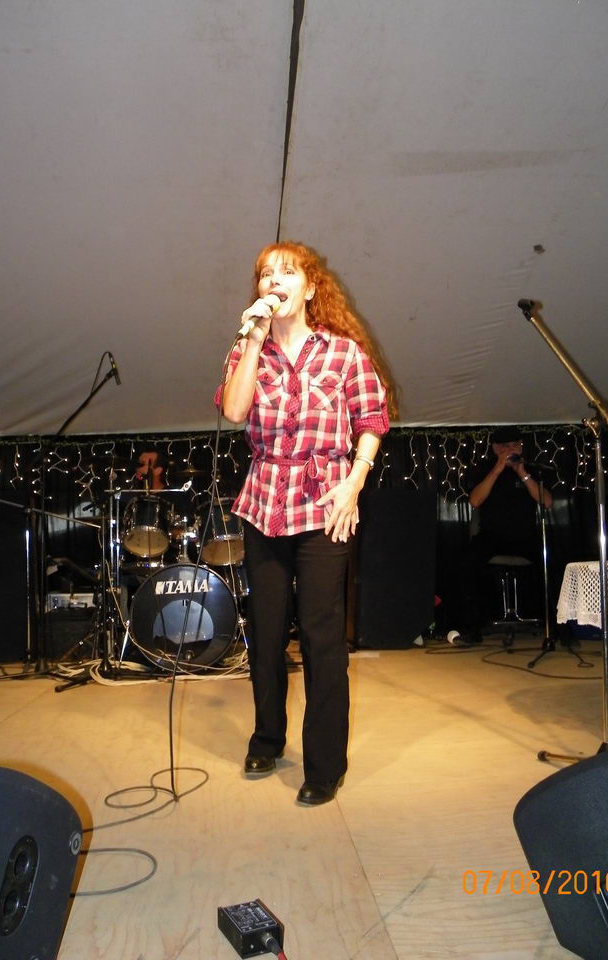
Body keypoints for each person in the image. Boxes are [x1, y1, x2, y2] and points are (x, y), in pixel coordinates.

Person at [216, 240, 393, 806]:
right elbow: (235, 411)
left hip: (325, 501)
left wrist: (355, 481)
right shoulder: (249, 348)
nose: (275, 280)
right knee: (266, 634)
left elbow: (372, 417)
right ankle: (267, 739)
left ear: (311, 287)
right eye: (266, 274)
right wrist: (252, 339)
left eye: (287, 272)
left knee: (322, 638)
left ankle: (324, 765)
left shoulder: (343, 352)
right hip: (265, 500)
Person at [453, 426, 553, 644]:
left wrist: (522, 474)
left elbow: (546, 502)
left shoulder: (531, 469)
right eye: (505, 446)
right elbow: (475, 501)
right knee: (466, 564)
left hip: (524, 536)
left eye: (515, 445)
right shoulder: (484, 468)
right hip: (492, 536)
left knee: (554, 561)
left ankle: (556, 627)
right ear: (496, 448)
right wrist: (497, 470)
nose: (511, 450)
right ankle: (472, 629)